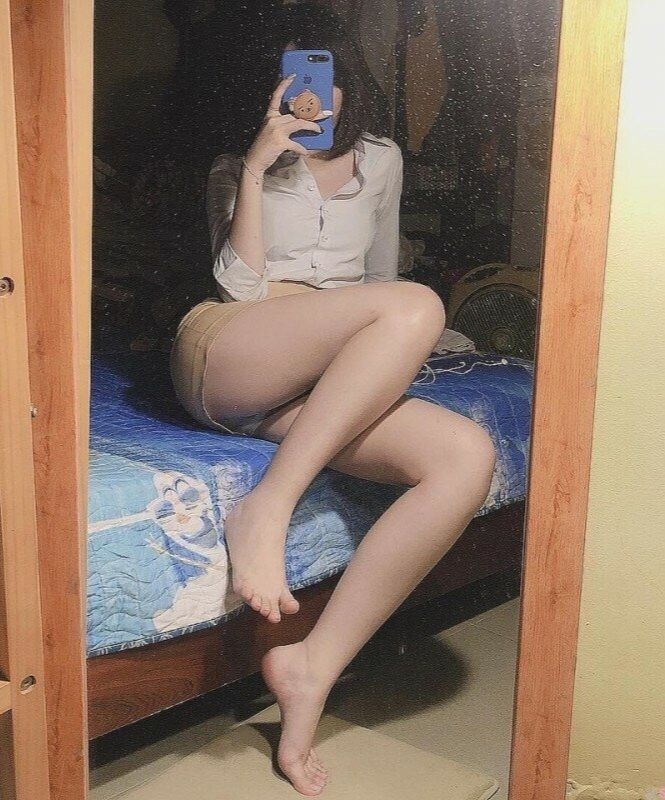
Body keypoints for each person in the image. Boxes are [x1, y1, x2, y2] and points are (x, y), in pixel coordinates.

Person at [170, 8, 495, 796]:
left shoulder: (381, 161)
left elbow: (375, 276)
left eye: (327, 77)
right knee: (415, 304)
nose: (315, 97)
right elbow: (239, 288)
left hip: (324, 364)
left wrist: (372, 357)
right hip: (235, 349)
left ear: (350, 84)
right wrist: (257, 168)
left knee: (465, 456)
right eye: (294, 79)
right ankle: (270, 506)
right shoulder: (236, 164)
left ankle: (311, 666)